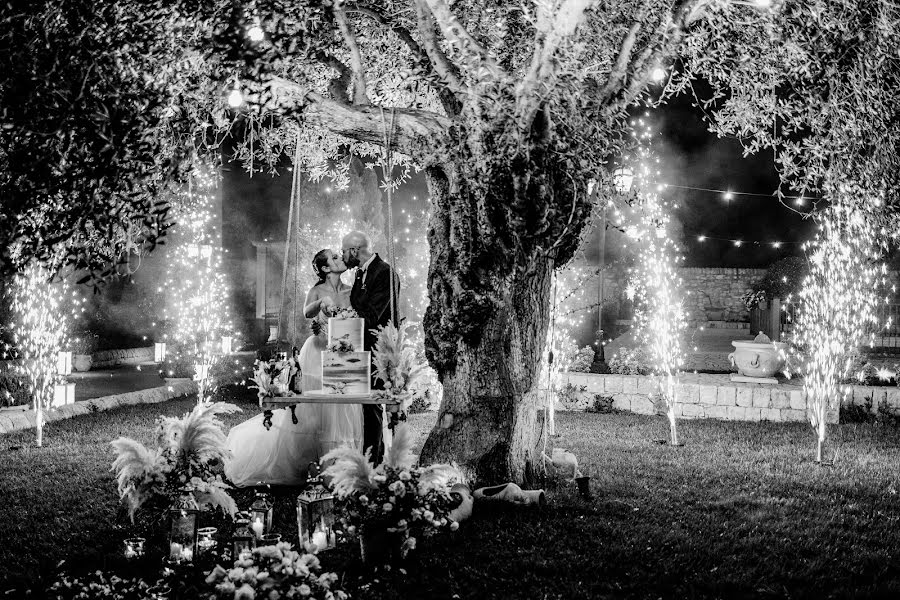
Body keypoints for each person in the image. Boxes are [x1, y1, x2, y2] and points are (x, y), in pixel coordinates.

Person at [224, 250, 363, 487]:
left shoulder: (351, 291)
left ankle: (342, 463)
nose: (340, 258)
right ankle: (312, 461)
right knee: (316, 409)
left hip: (343, 352)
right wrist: (321, 304)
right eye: (334, 257)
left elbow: (355, 317)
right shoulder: (317, 290)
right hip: (318, 352)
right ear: (326, 268)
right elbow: (307, 312)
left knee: (343, 407)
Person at [341, 231, 400, 465]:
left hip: (379, 350)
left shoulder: (385, 273)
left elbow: (374, 315)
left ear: (355, 251)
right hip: (361, 348)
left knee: (373, 405)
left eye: (345, 251)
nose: (343, 255)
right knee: (366, 408)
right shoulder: (358, 274)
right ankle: (374, 459)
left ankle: (373, 464)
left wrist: (346, 319)